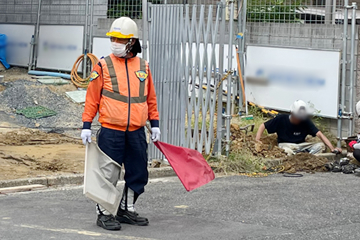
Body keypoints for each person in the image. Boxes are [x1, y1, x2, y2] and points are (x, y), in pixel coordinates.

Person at [81, 17, 160, 231]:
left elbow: (149, 98)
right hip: (110, 131)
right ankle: (105, 214)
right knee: (108, 175)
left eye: (120, 39)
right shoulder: (103, 65)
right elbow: (92, 98)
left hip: (135, 132)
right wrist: (86, 125)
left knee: (138, 173)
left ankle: (126, 209)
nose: (114, 42)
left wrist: (155, 123)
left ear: (132, 42)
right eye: (113, 38)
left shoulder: (143, 66)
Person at [255, 100, 342, 155]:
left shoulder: (305, 121)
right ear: (292, 113)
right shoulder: (281, 119)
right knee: (286, 151)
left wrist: (332, 148)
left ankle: (305, 157)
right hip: (286, 145)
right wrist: (257, 140)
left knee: (320, 146)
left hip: (301, 145)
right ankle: (298, 156)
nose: (299, 119)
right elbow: (263, 125)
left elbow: (319, 134)